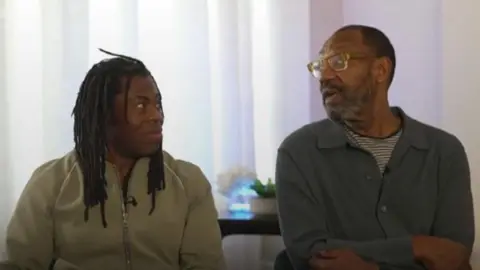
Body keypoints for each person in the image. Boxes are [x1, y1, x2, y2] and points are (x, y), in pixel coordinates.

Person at [3, 50, 225, 270]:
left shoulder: (189, 182)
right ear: (105, 113)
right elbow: (19, 264)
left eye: (157, 104)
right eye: (141, 105)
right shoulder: (50, 183)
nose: (157, 115)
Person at [275, 25, 474, 270]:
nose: (325, 76)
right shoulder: (298, 151)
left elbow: (454, 256)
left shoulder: (444, 151)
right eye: (319, 67)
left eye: (338, 61)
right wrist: (418, 246)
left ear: (380, 69)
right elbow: (309, 254)